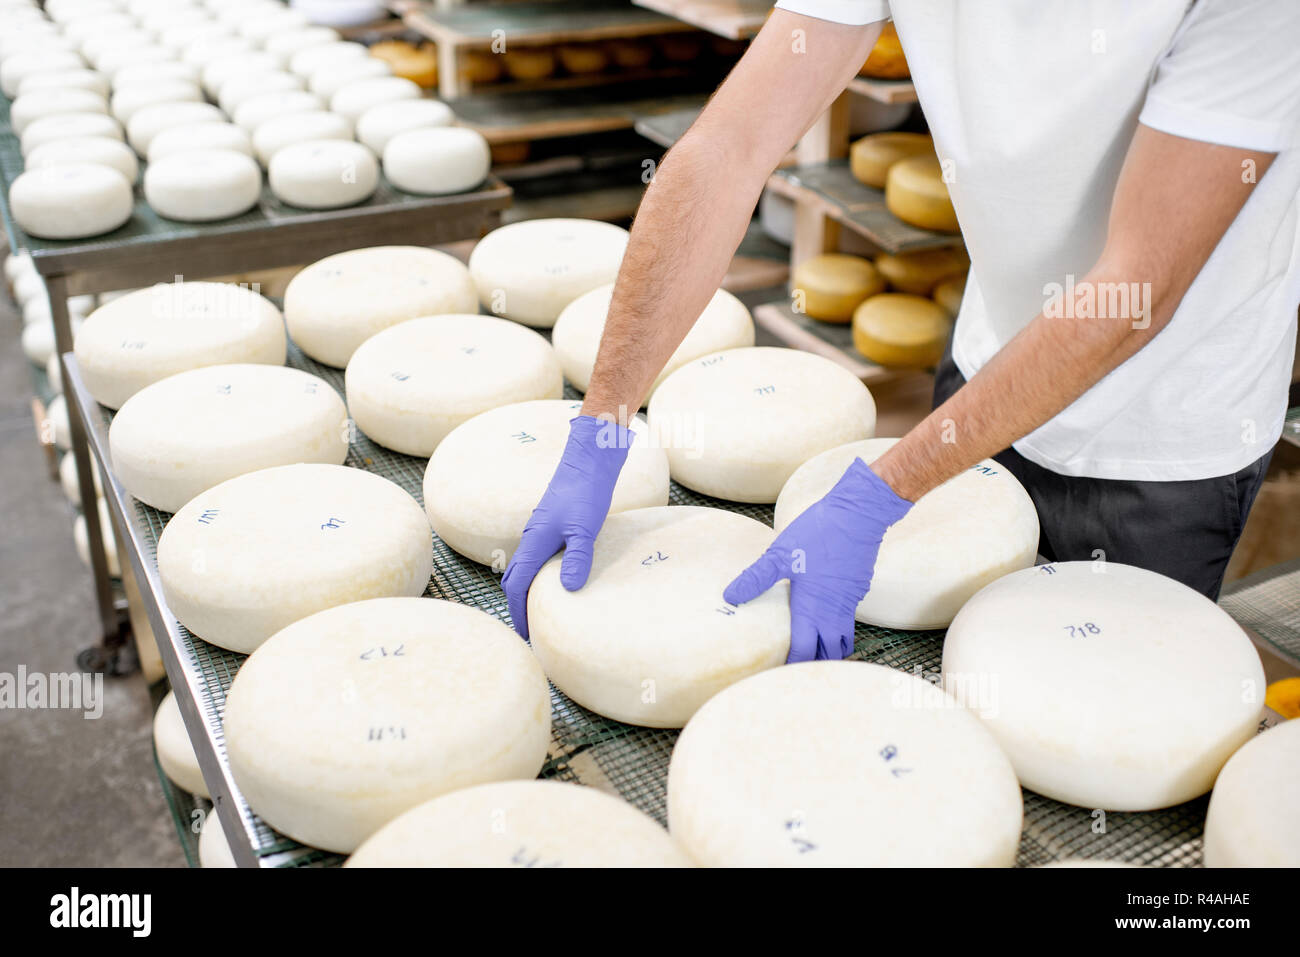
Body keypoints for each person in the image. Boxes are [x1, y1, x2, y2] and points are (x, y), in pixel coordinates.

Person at [503, 0, 1300, 662]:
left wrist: (883, 491)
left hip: (1165, 432)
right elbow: (726, 150)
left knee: (1090, 712)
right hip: (998, 358)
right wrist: (603, 419)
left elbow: (1135, 290)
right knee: (935, 668)